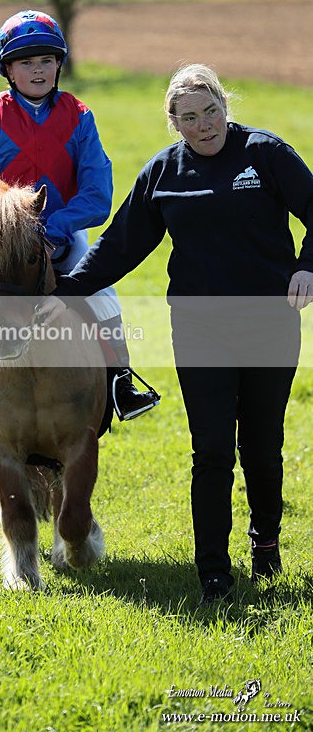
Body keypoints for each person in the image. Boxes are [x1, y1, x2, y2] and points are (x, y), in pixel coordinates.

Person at [53, 63, 313, 605]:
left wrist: (307, 266)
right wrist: (65, 291)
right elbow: (120, 246)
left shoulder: (265, 154)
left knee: (262, 447)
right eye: (189, 117)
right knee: (211, 449)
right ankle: (213, 573)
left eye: (211, 111)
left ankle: (265, 541)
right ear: (174, 123)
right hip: (199, 329)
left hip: (270, 323)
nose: (204, 125)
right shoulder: (164, 173)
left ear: (225, 106)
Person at [0, 10, 159, 430]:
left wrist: (54, 228)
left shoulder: (79, 115)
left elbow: (97, 192)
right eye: (26, 62)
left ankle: (121, 381)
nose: (38, 70)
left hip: (62, 235)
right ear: (8, 70)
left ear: (59, 65)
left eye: (46, 61)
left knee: (103, 291)